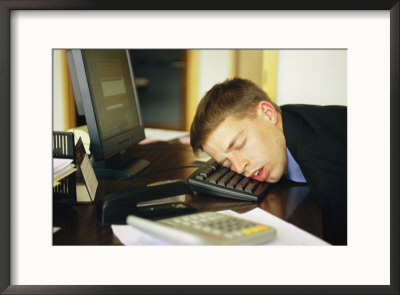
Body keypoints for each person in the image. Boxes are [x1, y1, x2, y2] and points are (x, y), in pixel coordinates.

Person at [190, 78, 347, 245]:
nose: (239, 167)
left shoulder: (324, 163)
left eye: (239, 144)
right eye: (226, 163)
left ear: (268, 113)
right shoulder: (289, 118)